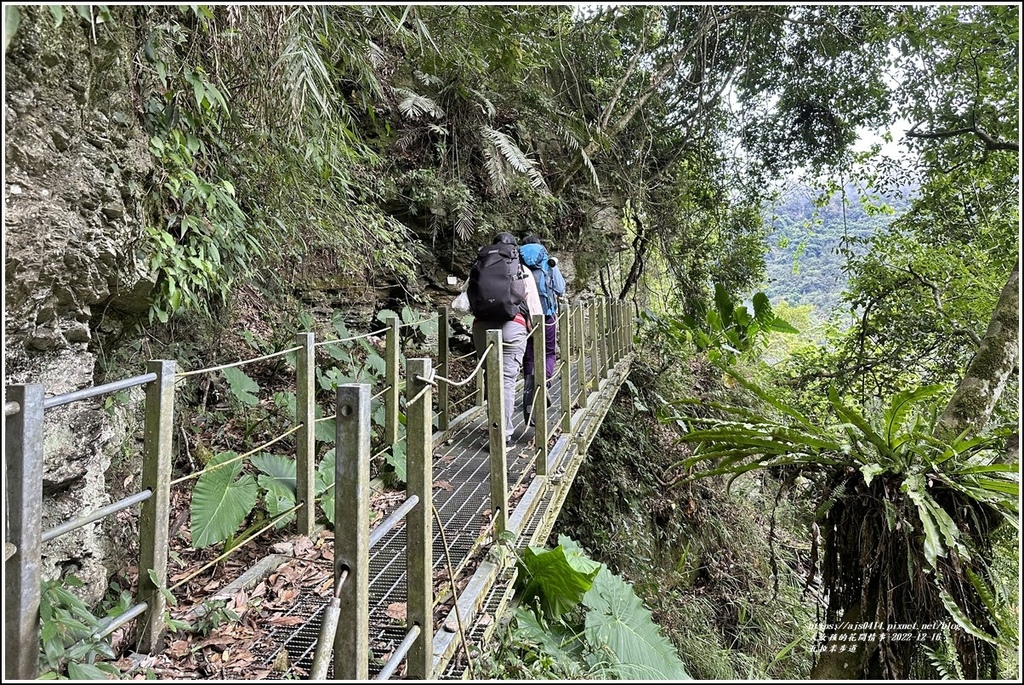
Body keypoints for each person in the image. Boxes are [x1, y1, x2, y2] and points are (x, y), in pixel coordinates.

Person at [470, 232, 543, 446]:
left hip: (482, 327)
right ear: (514, 249)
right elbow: (535, 309)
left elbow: (463, 304)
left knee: (491, 377)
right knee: (507, 380)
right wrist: (535, 330)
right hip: (513, 327)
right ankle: (502, 434)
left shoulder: (479, 267)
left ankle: (494, 426)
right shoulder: (521, 269)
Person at [518, 234, 566, 425]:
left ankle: (531, 391)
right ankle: (544, 382)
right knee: (549, 352)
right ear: (540, 246)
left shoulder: (517, 260)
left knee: (529, 355)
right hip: (547, 315)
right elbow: (560, 288)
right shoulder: (548, 261)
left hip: (526, 317)